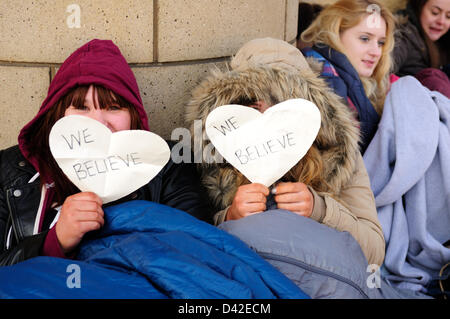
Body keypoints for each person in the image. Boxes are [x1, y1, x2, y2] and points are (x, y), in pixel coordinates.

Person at [0, 39, 210, 266]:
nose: (98, 122)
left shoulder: (168, 164)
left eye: (113, 107)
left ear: (133, 116)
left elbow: (196, 253)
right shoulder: (10, 170)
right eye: (81, 107)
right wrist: (55, 241)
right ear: (57, 114)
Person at [186, 38, 385, 268]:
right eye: (254, 103)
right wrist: (230, 217)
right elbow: (194, 249)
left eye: (280, 103)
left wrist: (319, 209)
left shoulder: (337, 151)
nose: (267, 113)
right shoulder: (213, 156)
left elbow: (374, 253)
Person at [300, 0, 396, 154]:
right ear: (335, 34)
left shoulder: (368, 83)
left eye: (380, 42)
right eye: (365, 39)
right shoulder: (325, 79)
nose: (376, 52)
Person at [393, 0, 450, 97]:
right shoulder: (403, 35)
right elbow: (383, 69)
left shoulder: (442, 43)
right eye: (435, 12)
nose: (441, 21)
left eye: (448, 16)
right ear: (419, 7)